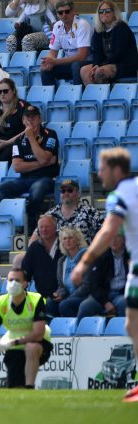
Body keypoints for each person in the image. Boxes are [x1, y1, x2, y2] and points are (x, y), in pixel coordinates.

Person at [69, 147, 138, 402]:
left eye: (102, 168)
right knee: (132, 323)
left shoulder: (119, 195)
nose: (98, 174)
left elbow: (108, 232)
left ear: (116, 170)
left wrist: (83, 262)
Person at [0, 266, 52, 388]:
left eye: (17, 280)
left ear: (25, 284)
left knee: (31, 347)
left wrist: (11, 343)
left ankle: (29, 387)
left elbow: (38, 333)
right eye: (10, 280)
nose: (13, 283)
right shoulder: (1, 303)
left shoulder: (36, 300)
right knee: (15, 386)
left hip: (40, 342)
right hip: (15, 345)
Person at [0, 105, 60, 231]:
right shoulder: (19, 140)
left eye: (34, 117)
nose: (31, 121)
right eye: (28, 118)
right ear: (23, 120)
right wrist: (43, 163)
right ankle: (19, 215)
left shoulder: (50, 134)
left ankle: (30, 218)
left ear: (39, 118)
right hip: (24, 179)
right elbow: (17, 166)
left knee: (37, 189)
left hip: (45, 178)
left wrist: (31, 137)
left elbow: (43, 159)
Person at [81, 0, 138, 84]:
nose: (104, 13)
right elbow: (97, 52)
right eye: (101, 11)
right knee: (84, 70)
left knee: (100, 72)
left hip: (123, 64)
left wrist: (101, 65)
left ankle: (102, 96)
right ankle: (92, 95)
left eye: (107, 11)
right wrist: (96, 64)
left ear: (114, 13)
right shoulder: (98, 30)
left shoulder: (121, 27)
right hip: (106, 63)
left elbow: (119, 53)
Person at [41, 0, 92, 86]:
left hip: (87, 63)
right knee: (45, 70)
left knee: (76, 66)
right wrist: (49, 61)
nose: (64, 15)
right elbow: (52, 53)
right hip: (69, 64)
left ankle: (78, 96)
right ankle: (51, 97)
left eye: (67, 11)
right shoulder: (57, 26)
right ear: (57, 14)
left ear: (73, 11)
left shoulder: (83, 25)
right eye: (60, 12)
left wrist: (56, 61)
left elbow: (82, 56)